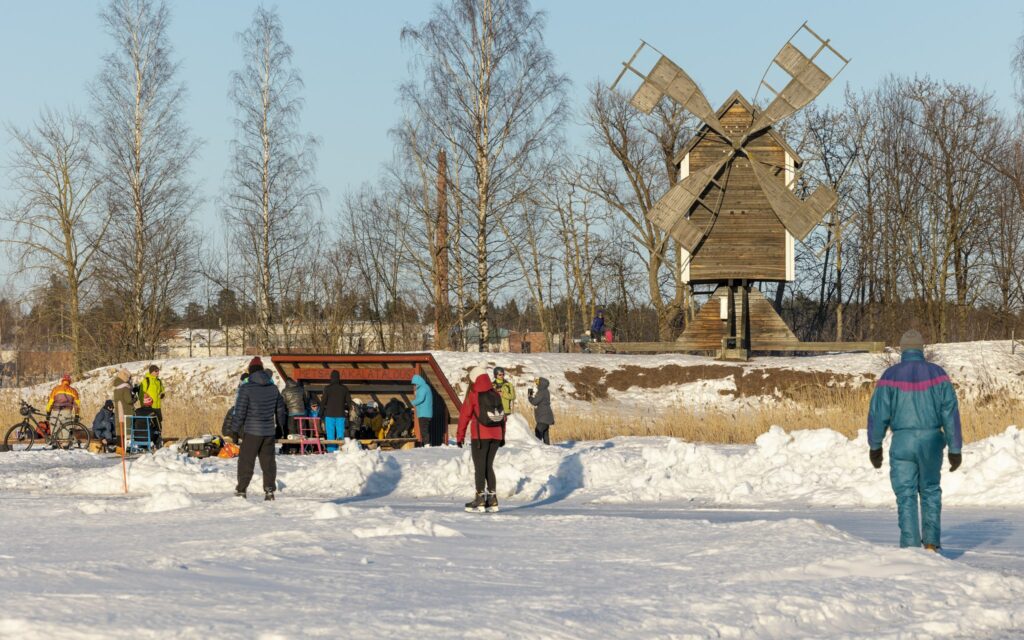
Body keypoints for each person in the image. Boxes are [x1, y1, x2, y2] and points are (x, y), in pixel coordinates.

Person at [868, 329, 963, 551]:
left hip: (902, 441)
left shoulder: (890, 376)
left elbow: (878, 413)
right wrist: (955, 448)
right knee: (930, 490)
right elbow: (950, 412)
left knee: (906, 494)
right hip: (931, 441)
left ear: (902, 350)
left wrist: (875, 445)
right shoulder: (938, 374)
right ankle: (931, 544)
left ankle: (910, 548)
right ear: (922, 350)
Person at [231, 367, 287, 501]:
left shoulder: (246, 388)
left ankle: (241, 490)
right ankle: (269, 491)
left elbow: (240, 412)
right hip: (268, 432)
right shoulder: (273, 388)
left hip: (251, 432)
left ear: (251, 374)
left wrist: (234, 430)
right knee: (268, 463)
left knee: (246, 461)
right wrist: (281, 427)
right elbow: (280, 410)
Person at [456, 373, 507, 512]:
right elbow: (502, 417)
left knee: (480, 467)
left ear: (473, 379)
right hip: (496, 435)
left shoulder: (473, 394)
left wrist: (460, 436)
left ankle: (479, 499)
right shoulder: (495, 393)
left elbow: (464, 416)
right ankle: (492, 498)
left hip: (480, 436)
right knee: (488, 466)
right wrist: (502, 436)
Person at [321, 370, 351, 451]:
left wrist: (320, 414)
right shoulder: (344, 388)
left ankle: (331, 450)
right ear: (339, 378)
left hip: (329, 414)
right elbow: (349, 402)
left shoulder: (327, 388)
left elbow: (323, 402)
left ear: (331, 378)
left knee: (330, 434)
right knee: (340, 434)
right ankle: (340, 449)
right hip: (340, 414)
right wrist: (348, 411)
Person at [281, 377, 308, 451]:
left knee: (292, 430)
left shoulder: (285, 391)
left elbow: (283, 403)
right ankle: (303, 447)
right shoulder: (301, 389)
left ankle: (293, 448)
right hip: (302, 412)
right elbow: (305, 400)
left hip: (291, 413)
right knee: (302, 430)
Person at [528, 377, 554, 445]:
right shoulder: (545, 391)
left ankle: (538, 449)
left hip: (543, 417)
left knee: (538, 434)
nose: (537, 384)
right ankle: (548, 449)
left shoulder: (541, 392)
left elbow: (534, 402)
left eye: (537, 382)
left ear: (541, 384)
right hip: (547, 416)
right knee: (545, 434)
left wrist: (529, 396)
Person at [139, 365, 165, 432]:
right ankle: (151, 438)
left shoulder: (159, 381)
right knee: (151, 423)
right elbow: (141, 394)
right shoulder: (146, 381)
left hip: (157, 406)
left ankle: (158, 438)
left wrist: (162, 394)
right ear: (151, 372)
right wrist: (143, 406)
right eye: (156, 371)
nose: (157, 372)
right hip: (149, 407)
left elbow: (162, 390)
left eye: (158, 371)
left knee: (159, 422)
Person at [111, 368, 134, 439]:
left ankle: (120, 444)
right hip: (126, 411)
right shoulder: (125, 388)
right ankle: (128, 445)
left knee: (119, 428)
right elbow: (129, 400)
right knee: (127, 428)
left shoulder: (116, 388)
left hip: (119, 412)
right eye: (129, 378)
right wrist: (134, 398)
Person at [411, 374, 434, 446]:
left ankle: (427, 444)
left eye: (415, 384)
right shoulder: (425, 387)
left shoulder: (423, 388)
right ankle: (427, 443)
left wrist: (412, 402)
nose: (414, 386)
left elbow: (420, 399)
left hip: (424, 413)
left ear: (418, 382)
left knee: (424, 430)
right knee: (425, 429)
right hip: (425, 412)